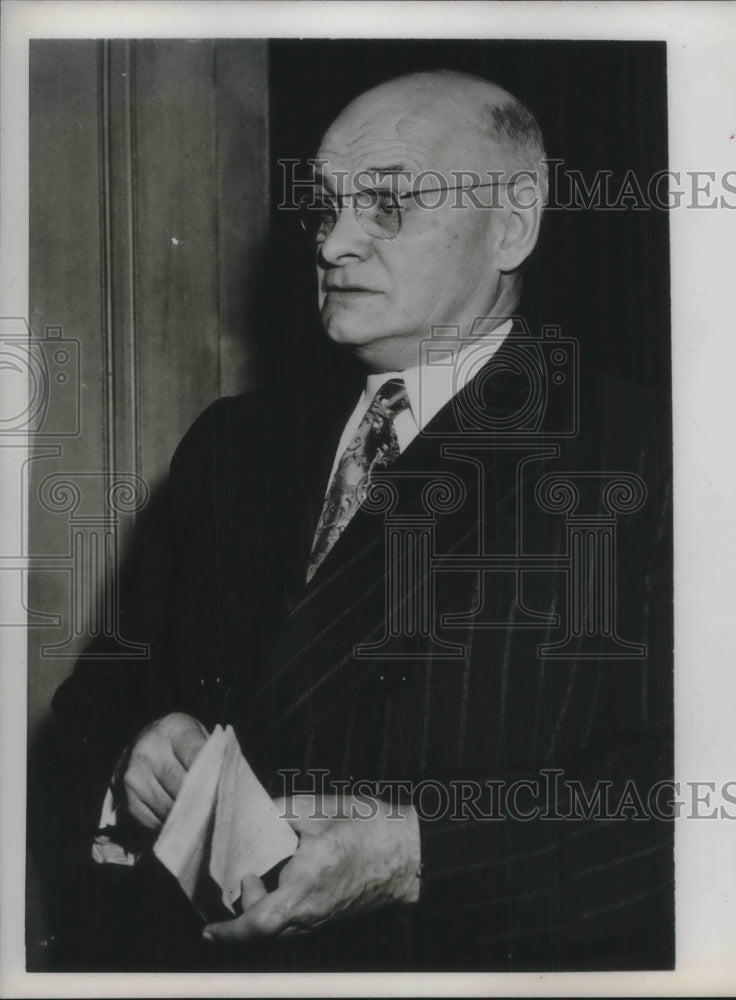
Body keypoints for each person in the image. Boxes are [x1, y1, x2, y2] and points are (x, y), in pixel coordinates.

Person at [52, 69, 673, 971]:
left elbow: (695, 809)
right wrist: (131, 761)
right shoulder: (234, 442)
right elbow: (89, 708)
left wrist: (414, 857)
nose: (335, 242)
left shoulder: (649, 455)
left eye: (388, 204)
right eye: (326, 206)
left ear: (513, 222)